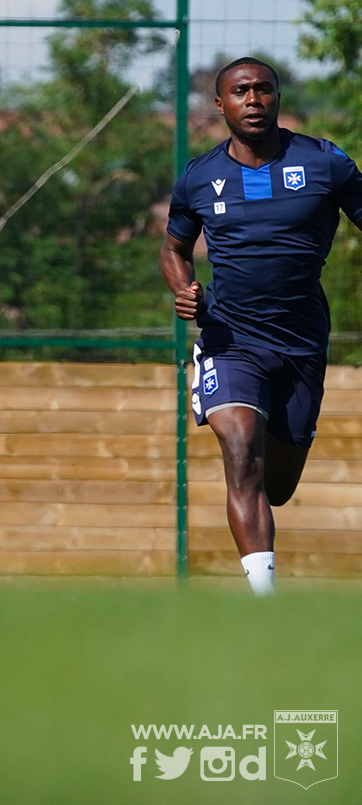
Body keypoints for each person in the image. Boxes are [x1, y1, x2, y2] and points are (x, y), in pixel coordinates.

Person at [161, 56, 362, 595]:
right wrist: (184, 289)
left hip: (300, 344)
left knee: (277, 484)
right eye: (241, 91)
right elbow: (174, 248)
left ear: (277, 98)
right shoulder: (200, 177)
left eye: (264, 90)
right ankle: (264, 602)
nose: (254, 99)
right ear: (221, 103)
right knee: (238, 447)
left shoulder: (324, 163)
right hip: (230, 339)